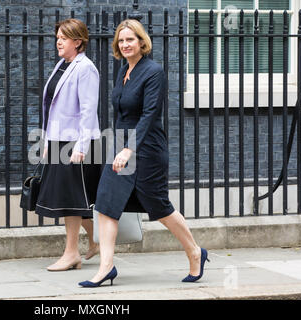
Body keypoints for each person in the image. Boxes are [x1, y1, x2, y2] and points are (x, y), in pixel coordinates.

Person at [78, 19, 209, 287]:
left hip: (146, 148)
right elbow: (120, 113)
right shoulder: (123, 69)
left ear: (141, 42)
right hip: (122, 147)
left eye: (130, 39)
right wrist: (118, 146)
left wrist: (129, 148)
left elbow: (150, 115)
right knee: (105, 203)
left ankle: (195, 251)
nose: (125, 44)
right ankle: (106, 267)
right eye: (121, 40)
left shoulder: (153, 72)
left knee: (158, 207)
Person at [35, 18, 101, 271]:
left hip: (76, 143)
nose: (58, 41)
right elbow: (51, 108)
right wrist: (47, 140)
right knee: (72, 199)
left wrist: (81, 147)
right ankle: (97, 241)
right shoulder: (63, 65)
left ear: (78, 41)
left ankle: (71, 253)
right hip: (59, 140)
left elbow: (88, 110)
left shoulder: (86, 69)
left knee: (70, 200)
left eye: (64, 37)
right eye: (57, 37)